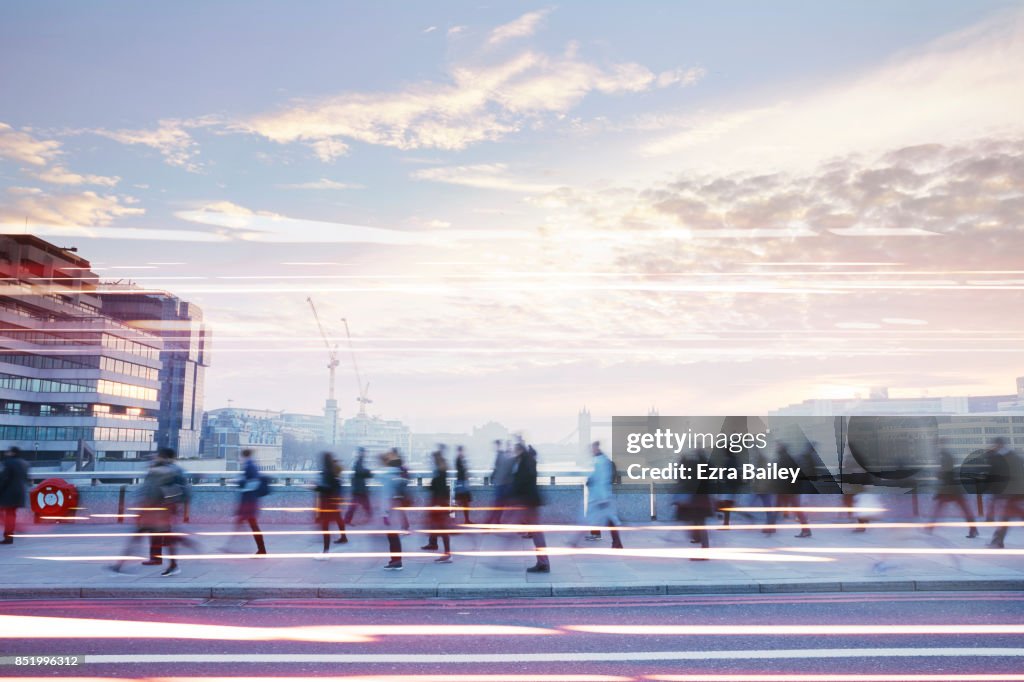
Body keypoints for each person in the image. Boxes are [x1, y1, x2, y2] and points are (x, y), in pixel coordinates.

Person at [110, 451, 175, 573]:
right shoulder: (157, 473)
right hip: (154, 512)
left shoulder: (159, 473)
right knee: (143, 538)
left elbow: (153, 493)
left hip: (155, 512)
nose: (152, 459)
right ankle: (120, 565)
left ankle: (120, 565)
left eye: (156, 457)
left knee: (157, 539)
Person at [574, 441, 623, 549]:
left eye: (592, 449)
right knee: (609, 520)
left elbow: (601, 480)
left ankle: (574, 542)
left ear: (596, 448)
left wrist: (602, 498)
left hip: (599, 498)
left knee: (589, 520)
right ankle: (617, 543)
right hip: (602, 497)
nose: (591, 451)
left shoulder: (599, 462)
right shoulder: (603, 460)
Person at [511, 442, 550, 573]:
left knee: (536, 532)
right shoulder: (528, 462)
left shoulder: (526, 463)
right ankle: (543, 562)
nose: (513, 452)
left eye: (515, 450)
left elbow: (522, 481)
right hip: (529, 501)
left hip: (528, 502)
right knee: (536, 532)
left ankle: (543, 563)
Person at [928, 442, 978, 538]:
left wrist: (939, 474)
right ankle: (973, 529)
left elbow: (945, 473)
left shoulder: (945, 458)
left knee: (939, 509)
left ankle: (930, 528)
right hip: (952, 489)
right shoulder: (946, 457)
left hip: (949, 489)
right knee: (964, 509)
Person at [223, 449, 267, 555]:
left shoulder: (249, 466)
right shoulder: (252, 465)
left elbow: (252, 482)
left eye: (241, 456)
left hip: (248, 501)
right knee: (245, 524)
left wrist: (238, 481)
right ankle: (231, 546)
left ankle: (261, 549)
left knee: (251, 525)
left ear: (244, 456)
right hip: (250, 500)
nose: (240, 459)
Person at [673, 450, 714, 557]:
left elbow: (686, 482)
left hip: (699, 499)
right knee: (699, 523)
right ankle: (701, 542)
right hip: (702, 498)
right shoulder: (706, 467)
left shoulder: (696, 470)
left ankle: (704, 549)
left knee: (699, 523)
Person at [987, 439, 1023, 549]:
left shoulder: (1005, 458)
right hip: (1014, 491)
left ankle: (997, 541)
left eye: (996, 445)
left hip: (1013, 492)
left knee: (1006, 516)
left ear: (999, 445)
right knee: (1007, 516)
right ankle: (997, 541)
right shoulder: (1010, 456)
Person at [421, 447, 453, 563]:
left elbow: (438, 489)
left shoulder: (440, 475)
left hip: (438, 505)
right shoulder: (441, 473)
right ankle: (434, 544)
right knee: (437, 527)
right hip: (440, 505)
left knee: (443, 529)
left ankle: (448, 554)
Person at [314, 451, 348, 559]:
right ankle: (339, 540)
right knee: (334, 521)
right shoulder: (332, 471)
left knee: (325, 527)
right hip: (332, 502)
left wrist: (317, 487)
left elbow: (327, 488)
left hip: (326, 503)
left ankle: (326, 551)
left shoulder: (327, 472)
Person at [378, 448, 408, 570]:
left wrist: (384, 513)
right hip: (396, 508)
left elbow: (386, 496)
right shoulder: (398, 475)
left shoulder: (386, 476)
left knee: (392, 537)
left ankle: (396, 561)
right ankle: (396, 560)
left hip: (389, 510)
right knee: (394, 536)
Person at [775, 443, 811, 538]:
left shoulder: (783, 459)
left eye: (777, 447)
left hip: (788, 490)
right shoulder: (789, 458)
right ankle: (806, 530)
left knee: (796, 510)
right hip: (790, 489)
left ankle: (806, 530)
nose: (776, 448)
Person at [0, 447, 30, 545]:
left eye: (9, 451)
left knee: (6, 515)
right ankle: (9, 536)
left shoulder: (8, 463)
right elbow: (26, 479)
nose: (7, 453)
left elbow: (4, 479)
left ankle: (10, 534)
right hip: (19, 493)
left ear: (12, 453)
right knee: (11, 515)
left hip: (8, 493)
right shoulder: (25, 464)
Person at [343, 447, 373, 525]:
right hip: (359, 489)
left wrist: (367, 472)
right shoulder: (358, 462)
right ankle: (347, 520)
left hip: (359, 488)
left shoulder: (359, 462)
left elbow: (363, 472)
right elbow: (361, 471)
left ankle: (347, 520)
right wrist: (368, 472)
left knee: (363, 506)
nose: (365, 454)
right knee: (357, 506)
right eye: (363, 452)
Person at [487, 440, 515, 524]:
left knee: (500, 505)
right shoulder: (502, 456)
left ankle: (492, 522)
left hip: (504, 485)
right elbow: (497, 468)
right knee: (499, 505)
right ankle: (490, 523)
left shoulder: (505, 456)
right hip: (502, 485)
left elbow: (497, 468)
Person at [454, 445, 472, 523]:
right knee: (462, 502)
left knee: (464, 503)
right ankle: (454, 520)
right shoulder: (459, 459)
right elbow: (463, 471)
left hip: (462, 483)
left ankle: (466, 520)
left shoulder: (460, 459)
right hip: (462, 483)